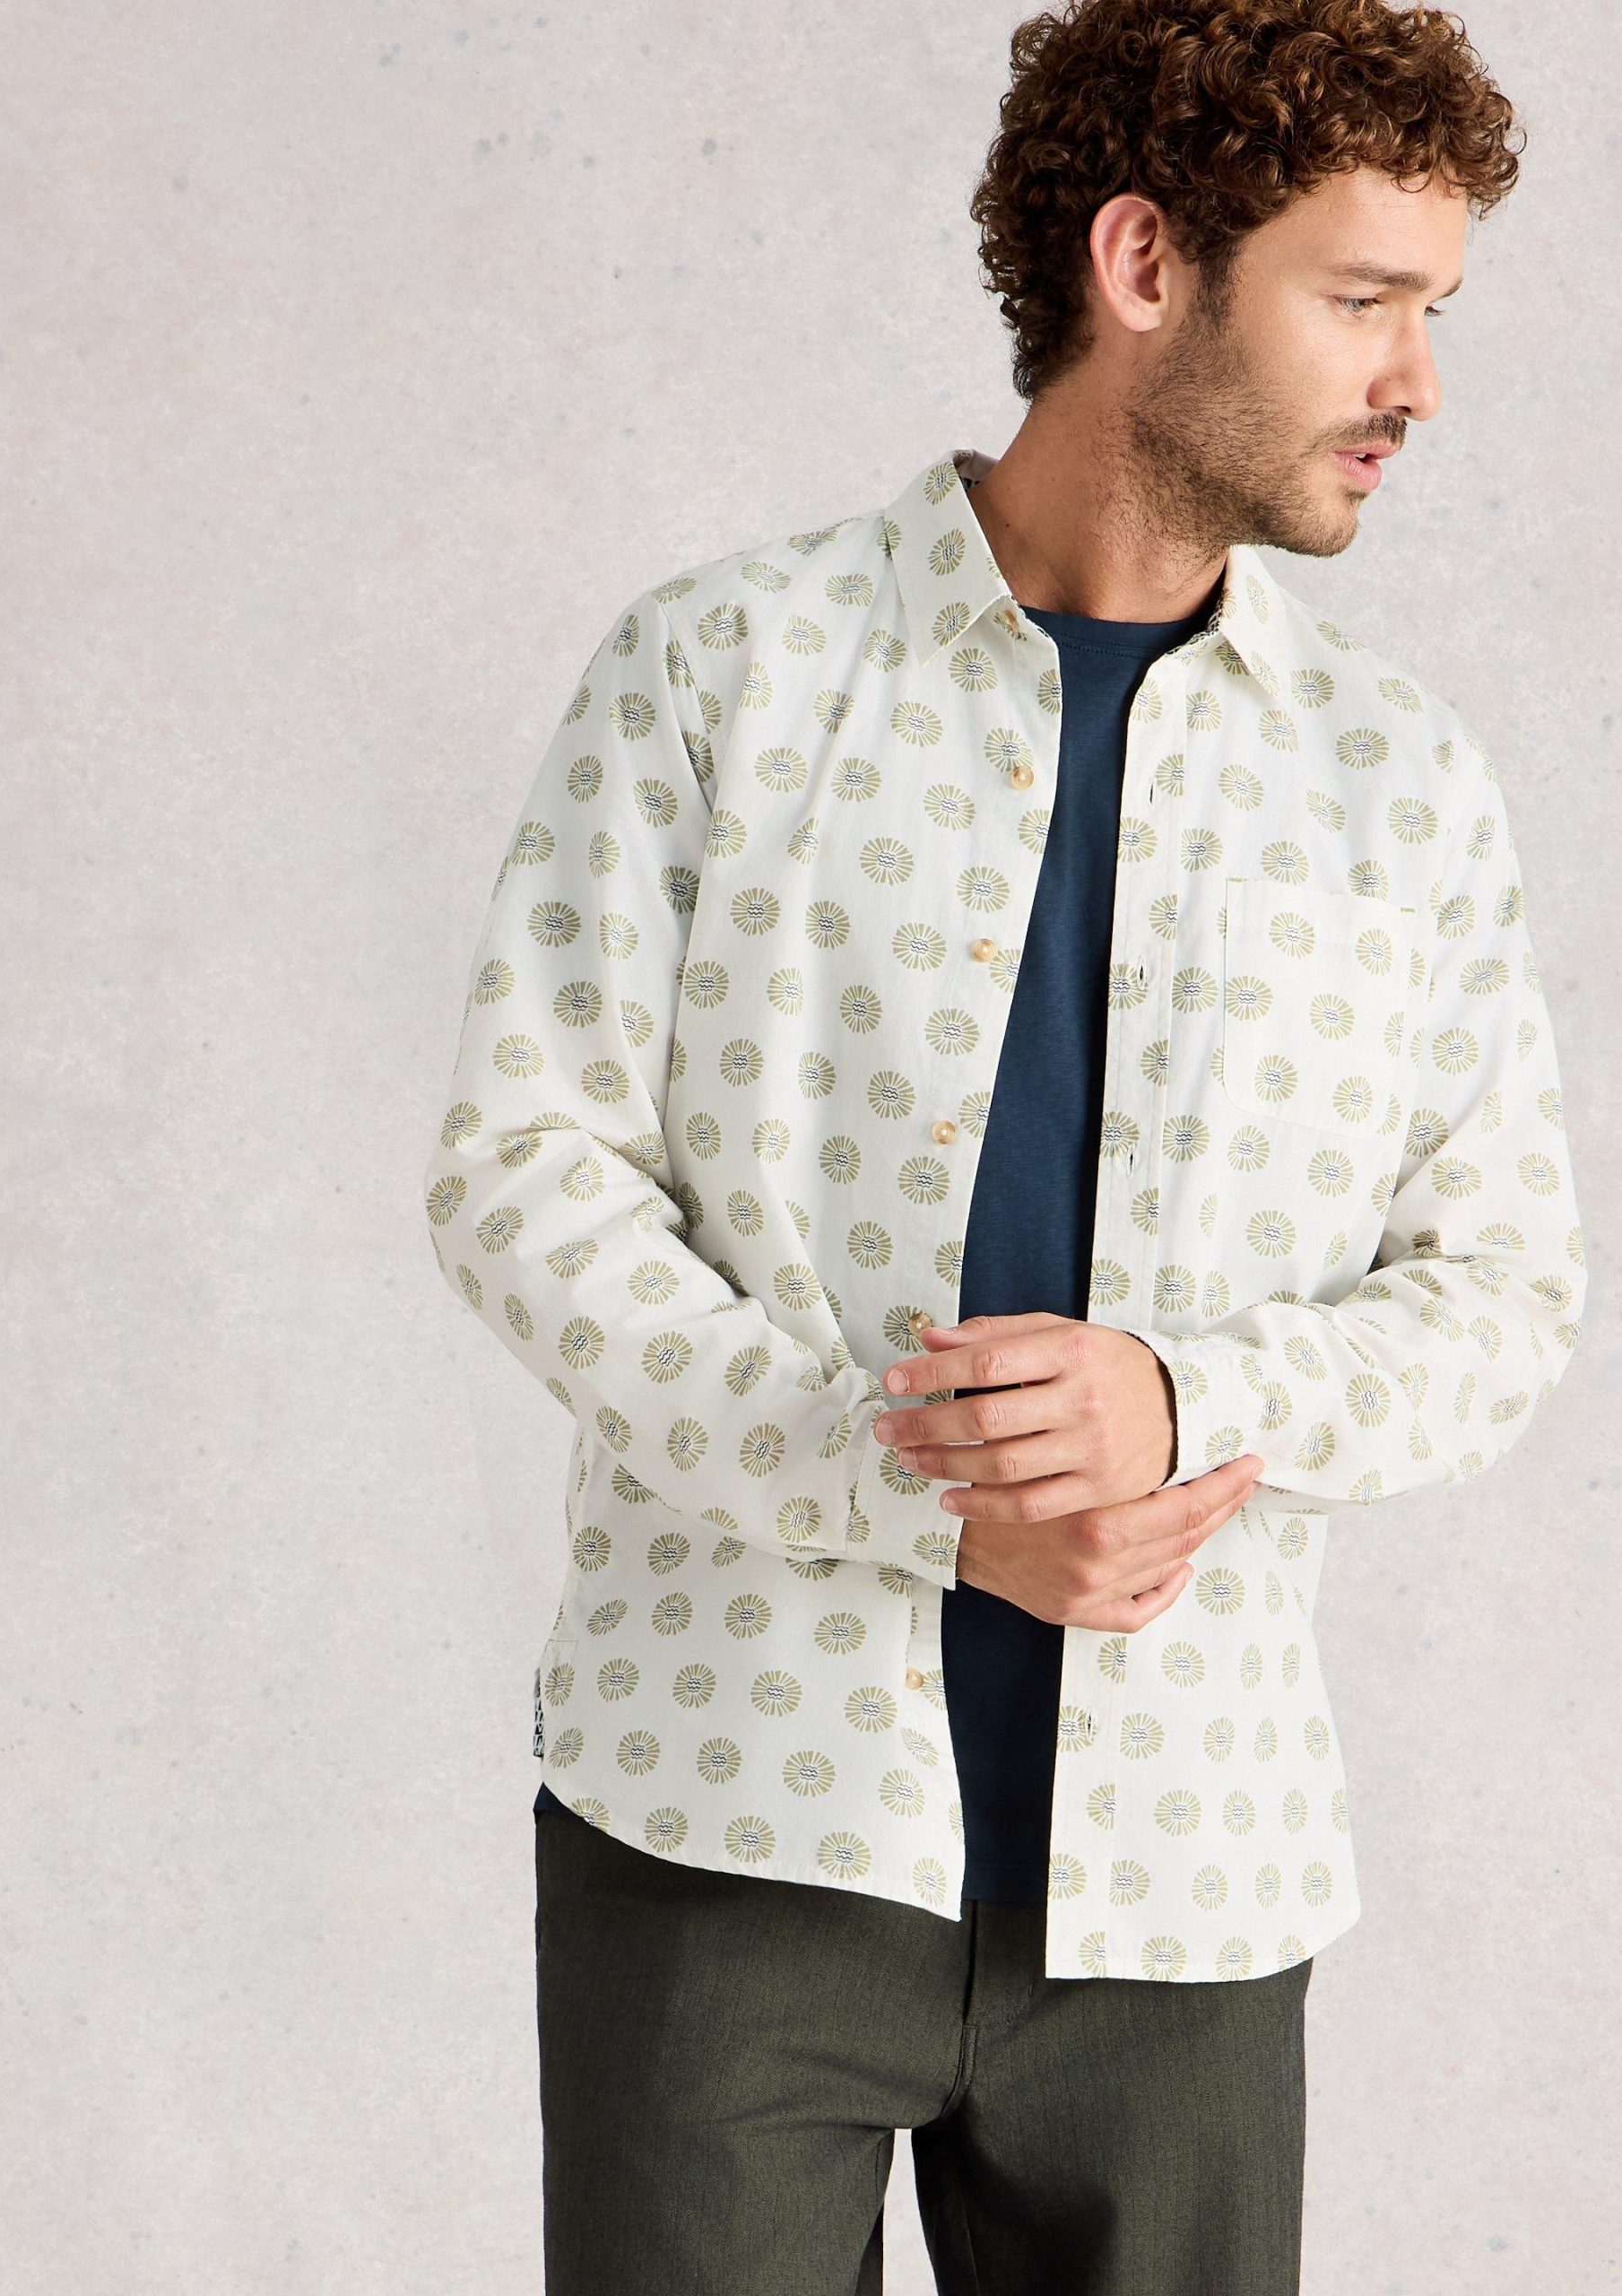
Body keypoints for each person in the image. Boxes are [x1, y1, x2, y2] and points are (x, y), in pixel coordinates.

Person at [421, 3, 1583, 2287]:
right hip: (731, 1813)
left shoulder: (1403, 788)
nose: (1419, 381)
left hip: (1188, 1865)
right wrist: (914, 1497)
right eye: (1363, 298)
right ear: (1144, 265)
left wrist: (1182, 1392)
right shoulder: (726, 673)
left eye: (1432, 310)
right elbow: (523, 1171)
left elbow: (1502, 1294)